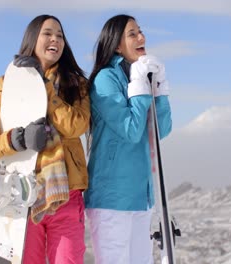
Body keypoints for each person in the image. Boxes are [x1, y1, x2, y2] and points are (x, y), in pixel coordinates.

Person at [0, 15, 90, 264]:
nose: (55, 39)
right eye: (48, 33)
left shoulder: (75, 83)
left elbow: (76, 126)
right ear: (32, 39)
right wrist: (17, 139)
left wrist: (43, 86)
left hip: (66, 194)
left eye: (60, 35)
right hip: (23, 197)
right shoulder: (10, 87)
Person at [84, 14, 172, 264]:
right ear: (116, 44)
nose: (141, 37)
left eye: (140, 32)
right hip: (112, 198)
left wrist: (160, 90)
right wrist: (138, 86)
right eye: (132, 34)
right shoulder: (105, 80)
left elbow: (161, 130)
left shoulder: (141, 75)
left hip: (140, 196)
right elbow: (132, 131)